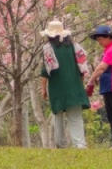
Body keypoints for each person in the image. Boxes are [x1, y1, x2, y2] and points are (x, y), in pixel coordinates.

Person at [38, 19, 89, 148]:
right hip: (74, 86)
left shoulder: (48, 48)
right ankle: (80, 144)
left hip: (57, 86)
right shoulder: (75, 47)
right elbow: (82, 68)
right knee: (76, 117)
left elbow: (45, 71)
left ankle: (61, 144)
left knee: (58, 115)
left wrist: (43, 89)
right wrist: (79, 84)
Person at [86, 25, 112, 148]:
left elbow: (102, 67)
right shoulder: (110, 49)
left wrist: (91, 81)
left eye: (101, 39)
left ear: (109, 37)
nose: (99, 42)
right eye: (98, 40)